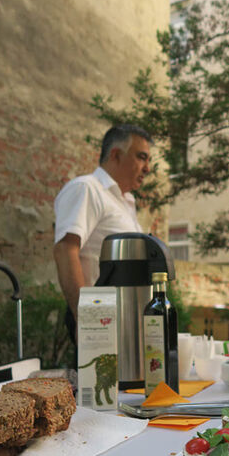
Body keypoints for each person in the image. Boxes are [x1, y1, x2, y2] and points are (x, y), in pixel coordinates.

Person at [54, 124, 152, 342]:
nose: (147, 168)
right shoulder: (86, 188)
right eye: (142, 157)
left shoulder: (126, 201)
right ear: (116, 154)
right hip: (99, 320)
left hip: (127, 320)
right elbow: (65, 249)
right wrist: (87, 318)